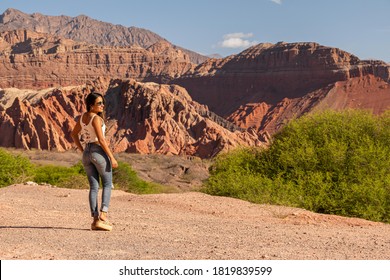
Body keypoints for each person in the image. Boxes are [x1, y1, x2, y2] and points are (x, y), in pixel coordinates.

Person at [71, 92, 118, 231]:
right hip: (98, 151)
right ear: (91, 105)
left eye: (103, 102)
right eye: (99, 103)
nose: (102, 105)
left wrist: (83, 150)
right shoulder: (96, 119)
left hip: (87, 152)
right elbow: (102, 140)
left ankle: (95, 220)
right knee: (108, 184)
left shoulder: (82, 118)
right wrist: (112, 157)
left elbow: (74, 134)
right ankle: (103, 214)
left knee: (94, 187)